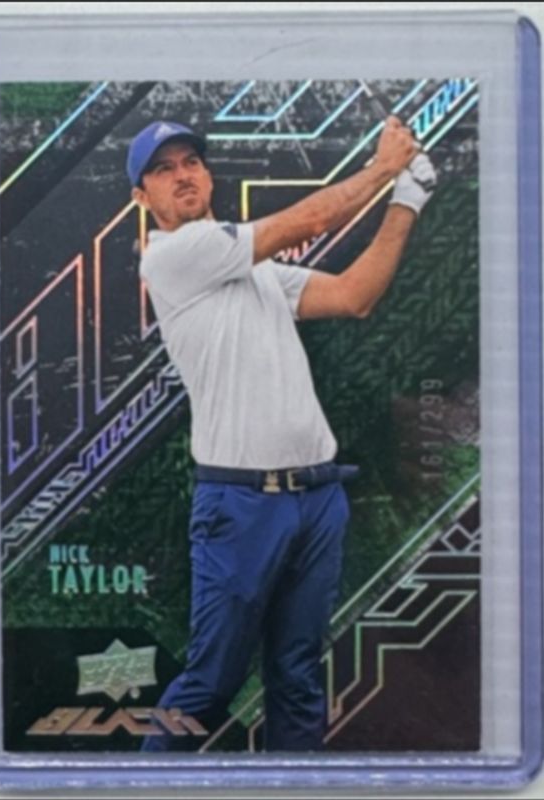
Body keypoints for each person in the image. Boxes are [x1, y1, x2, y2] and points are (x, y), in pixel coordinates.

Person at [127, 118, 436, 752]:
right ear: (142, 196)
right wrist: (384, 168)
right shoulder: (174, 255)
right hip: (242, 504)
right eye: (163, 169)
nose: (182, 175)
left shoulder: (255, 269)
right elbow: (308, 221)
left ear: (208, 174)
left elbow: (353, 296)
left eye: (191, 162)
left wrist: (407, 199)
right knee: (210, 683)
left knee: (296, 679)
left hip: (317, 497)